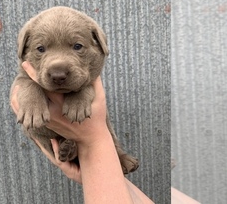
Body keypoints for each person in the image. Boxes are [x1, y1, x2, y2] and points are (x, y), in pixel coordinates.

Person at [11, 61, 154, 204]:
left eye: (77, 47)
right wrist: (30, 94)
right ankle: (68, 149)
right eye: (41, 49)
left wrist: (92, 138)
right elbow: (21, 85)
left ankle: (116, 154)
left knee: (97, 114)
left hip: (86, 147)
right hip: (53, 139)